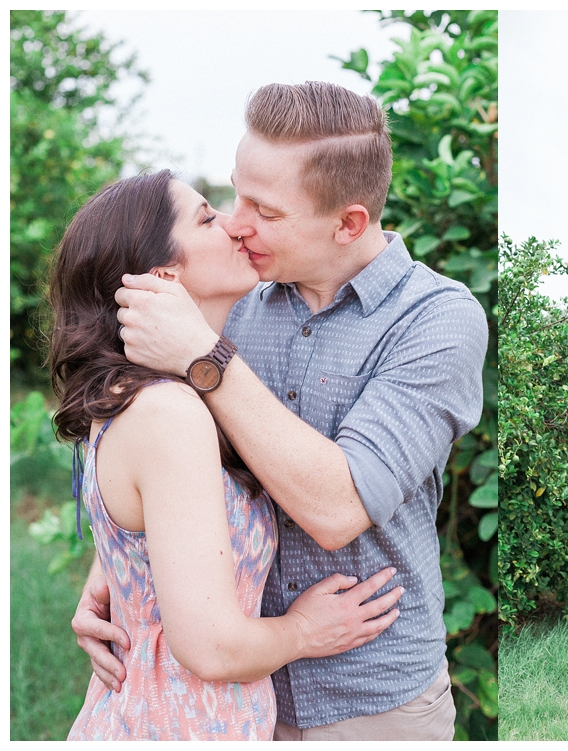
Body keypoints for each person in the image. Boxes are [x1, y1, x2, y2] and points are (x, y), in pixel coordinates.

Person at [72, 82, 488, 741]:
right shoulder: (228, 295)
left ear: (347, 222)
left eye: (264, 209)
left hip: (369, 702)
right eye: (234, 196)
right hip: (227, 697)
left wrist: (204, 358)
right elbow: (165, 462)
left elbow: (337, 508)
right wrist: (120, 569)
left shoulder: (437, 320)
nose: (238, 223)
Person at [50, 171, 402, 741]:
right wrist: (304, 632)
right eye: (208, 218)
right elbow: (210, 648)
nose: (235, 226)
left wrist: (122, 574)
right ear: (163, 277)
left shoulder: (146, 395)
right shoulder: (169, 412)